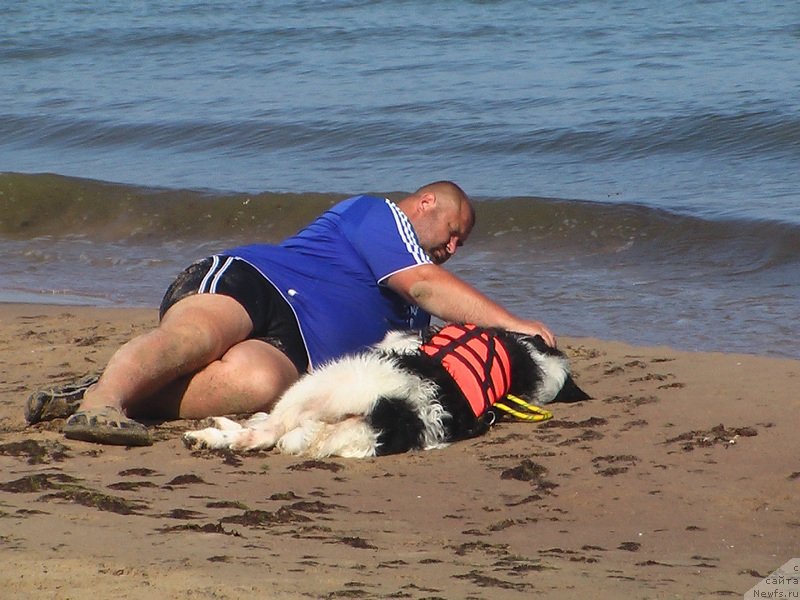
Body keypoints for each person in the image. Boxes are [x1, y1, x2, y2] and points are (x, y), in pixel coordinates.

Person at [26, 181, 556, 446]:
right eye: (453, 232)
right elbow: (424, 283)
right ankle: (103, 402)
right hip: (259, 281)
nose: (454, 248)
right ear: (424, 205)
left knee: (256, 386)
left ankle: (113, 389)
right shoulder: (378, 214)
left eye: (462, 244)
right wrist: (513, 325)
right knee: (195, 340)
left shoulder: (414, 315)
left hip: (294, 350)